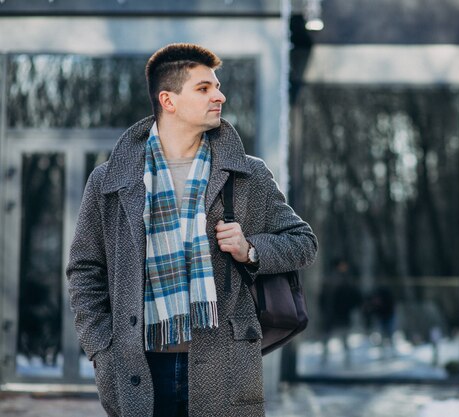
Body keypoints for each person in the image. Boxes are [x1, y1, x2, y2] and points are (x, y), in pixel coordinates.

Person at [66, 43, 317, 417]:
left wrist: (251, 250)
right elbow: (85, 269)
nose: (220, 95)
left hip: (225, 365)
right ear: (168, 100)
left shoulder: (247, 174)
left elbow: (303, 243)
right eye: (204, 88)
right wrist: (101, 347)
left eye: (216, 86)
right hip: (140, 367)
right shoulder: (111, 181)